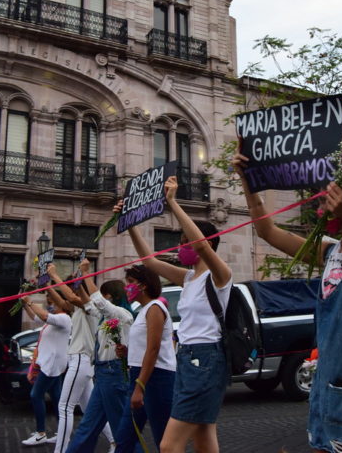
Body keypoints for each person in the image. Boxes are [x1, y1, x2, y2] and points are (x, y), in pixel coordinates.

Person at [232, 152, 342, 452]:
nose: (319, 208)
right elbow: (267, 231)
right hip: (329, 385)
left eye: (326, 200)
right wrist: (248, 182)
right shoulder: (331, 251)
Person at [120, 175, 232, 453]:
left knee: (169, 445)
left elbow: (201, 245)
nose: (181, 247)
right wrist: (129, 223)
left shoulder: (220, 275)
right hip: (189, 356)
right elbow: (149, 261)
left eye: (185, 241)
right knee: (204, 436)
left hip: (206, 357)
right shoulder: (189, 278)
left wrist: (172, 202)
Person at [44, 263, 116, 453]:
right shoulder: (79, 308)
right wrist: (48, 285)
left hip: (81, 359)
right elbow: (63, 302)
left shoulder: (89, 305)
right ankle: (115, 441)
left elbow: (70, 297)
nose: (71, 289)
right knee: (89, 409)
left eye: (73, 286)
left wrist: (55, 275)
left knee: (65, 407)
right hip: (81, 362)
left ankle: (61, 450)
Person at [64, 273, 134, 453]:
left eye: (103, 295)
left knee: (121, 430)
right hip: (103, 373)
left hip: (114, 373)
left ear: (109, 296)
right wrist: (79, 285)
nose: (99, 299)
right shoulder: (106, 318)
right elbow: (90, 305)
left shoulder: (123, 315)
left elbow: (99, 303)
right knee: (88, 426)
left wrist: (87, 274)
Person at [114, 264, 176, 453]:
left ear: (144, 285)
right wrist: (128, 352)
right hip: (140, 376)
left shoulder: (155, 308)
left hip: (156, 379)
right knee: (124, 439)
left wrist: (140, 386)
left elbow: (154, 349)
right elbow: (146, 347)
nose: (127, 287)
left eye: (131, 282)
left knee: (163, 441)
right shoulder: (143, 310)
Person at [20, 287, 72, 447]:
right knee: (56, 397)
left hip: (52, 365)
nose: (50, 304)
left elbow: (43, 315)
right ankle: (62, 433)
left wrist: (30, 301)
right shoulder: (55, 319)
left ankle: (41, 433)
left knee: (36, 395)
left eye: (53, 301)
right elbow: (36, 317)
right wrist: (24, 304)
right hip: (51, 364)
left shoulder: (64, 318)